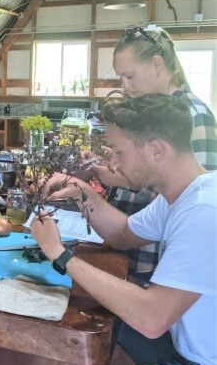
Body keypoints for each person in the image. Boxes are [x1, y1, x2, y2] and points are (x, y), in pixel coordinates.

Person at [30, 94, 216, 365]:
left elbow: (152, 319)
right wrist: (81, 191)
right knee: (96, 318)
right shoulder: (180, 196)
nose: (113, 164)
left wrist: (59, 253)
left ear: (156, 150)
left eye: (119, 152)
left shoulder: (205, 212)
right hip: (184, 345)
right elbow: (122, 233)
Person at [91, 26, 217, 287]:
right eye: (121, 78)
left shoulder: (194, 114)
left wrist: (124, 180)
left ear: (157, 64)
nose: (125, 86)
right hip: (135, 245)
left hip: (162, 266)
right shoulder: (151, 109)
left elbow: (191, 196)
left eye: (130, 76)